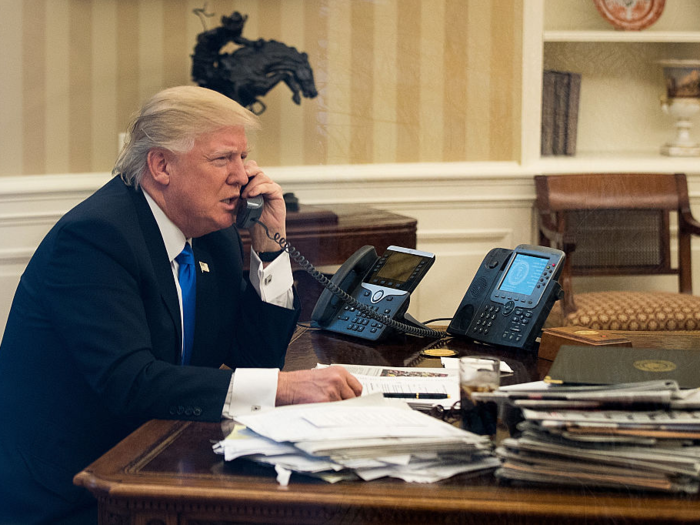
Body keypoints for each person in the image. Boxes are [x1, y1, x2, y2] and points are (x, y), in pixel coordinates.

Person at [0, 86, 362, 525]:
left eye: (243, 157)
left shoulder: (215, 234)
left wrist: (269, 251)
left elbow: (255, 359)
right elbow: (131, 382)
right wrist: (283, 388)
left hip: (159, 467)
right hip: (74, 493)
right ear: (161, 165)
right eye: (223, 159)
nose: (243, 175)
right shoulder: (96, 238)